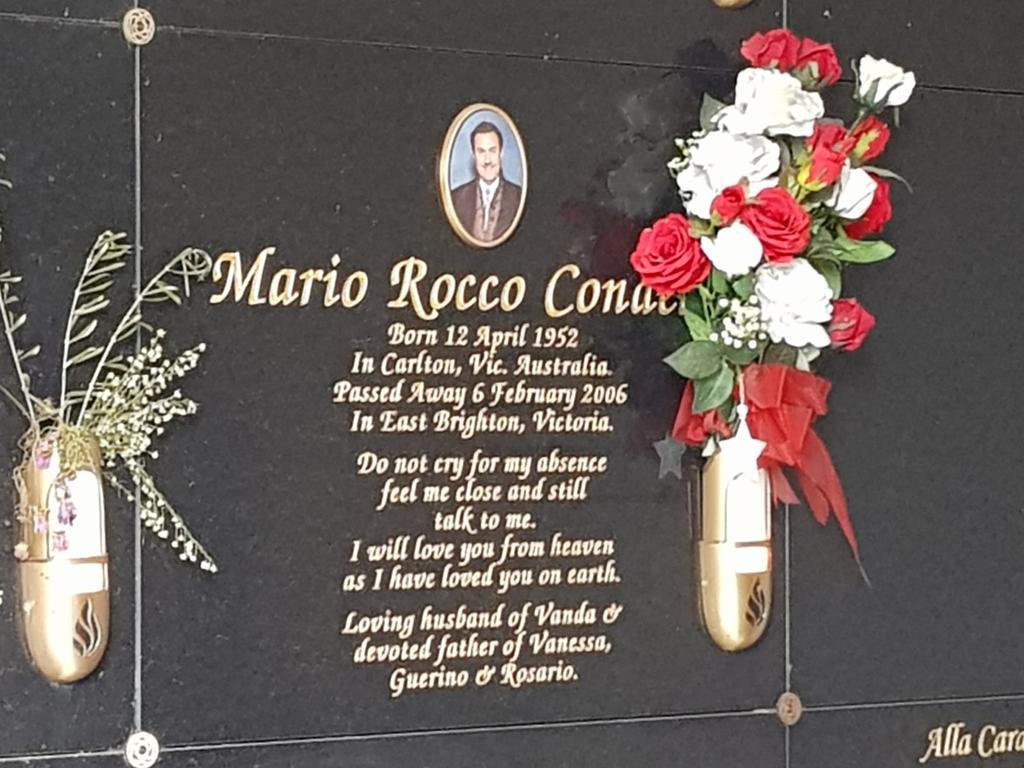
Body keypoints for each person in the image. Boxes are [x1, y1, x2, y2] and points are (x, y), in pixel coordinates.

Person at [450, 121, 522, 243]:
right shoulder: (456, 198)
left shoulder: (518, 197)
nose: (487, 160)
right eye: (481, 152)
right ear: (474, 155)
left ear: (501, 153)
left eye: (492, 151)